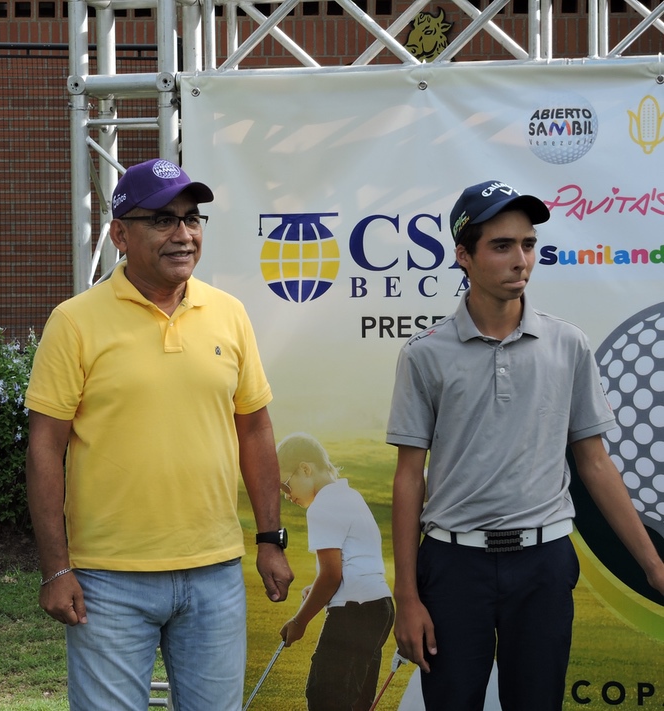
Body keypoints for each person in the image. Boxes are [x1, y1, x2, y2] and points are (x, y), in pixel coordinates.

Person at [24, 158, 294, 711]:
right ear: (120, 235)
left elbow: (255, 429)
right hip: (107, 579)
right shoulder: (74, 322)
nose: (183, 234)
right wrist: (56, 568)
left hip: (214, 572)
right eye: (163, 220)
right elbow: (45, 448)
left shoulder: (229, 314)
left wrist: (270, 538)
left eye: (192, 218)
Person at [386, 179, 664, 711]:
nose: (521, 260)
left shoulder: (568, 344)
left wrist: (653, 564)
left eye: (528, 244)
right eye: (502, 246)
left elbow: (595, 464)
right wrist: (408, 595)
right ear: (463, 255)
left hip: (544, 564)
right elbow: (408, 477)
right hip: (453, 566)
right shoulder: (424, 353)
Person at [277, 432, 395, 711]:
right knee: (355, 701)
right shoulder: (351, 496)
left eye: (285, 484)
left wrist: (299, 621)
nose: (286, 495)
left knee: (325, 697)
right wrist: (318, 590)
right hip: (380, 608)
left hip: (354, 612)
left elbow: (331, 576)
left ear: (305, 469)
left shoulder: (322, 506)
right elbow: (353, 564)